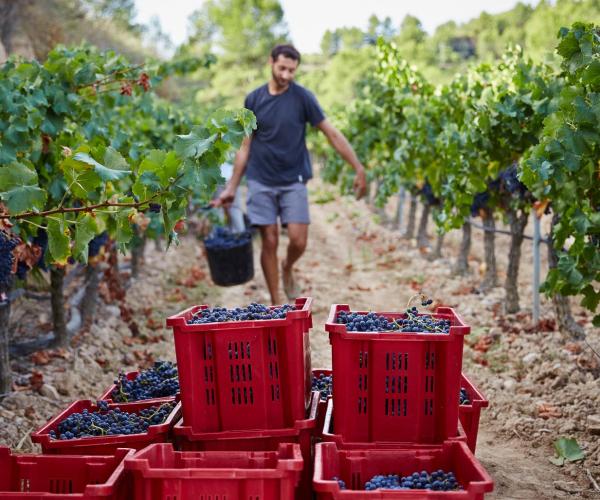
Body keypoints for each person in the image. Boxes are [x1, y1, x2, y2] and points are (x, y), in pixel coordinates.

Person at [214, 44, 367, 305]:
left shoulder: (303, 98)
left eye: (292, 71)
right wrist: (231, 187)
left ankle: (287, 266)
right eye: (282, 68)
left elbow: (331, 133)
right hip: (260, 180)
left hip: (293, 180)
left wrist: (358, 167)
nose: (286, 75)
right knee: (269, 240)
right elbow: (245, 146)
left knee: (298, 240)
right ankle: (276, 303)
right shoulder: (253, 100)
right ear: (271, 62)